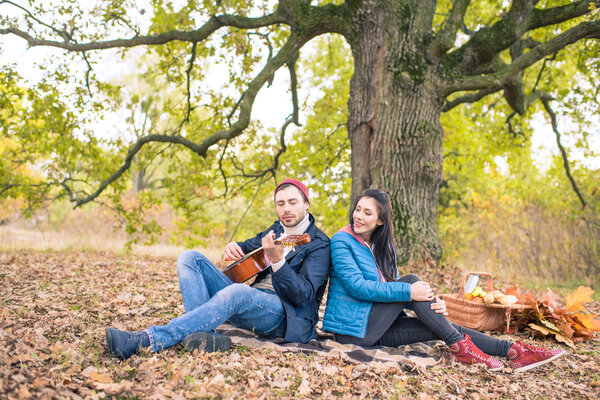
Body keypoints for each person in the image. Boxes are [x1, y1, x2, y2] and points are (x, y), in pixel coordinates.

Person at [322, 188, 566, 372]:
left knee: (442, 327)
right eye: (358, 209)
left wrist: (430, 301)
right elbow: (359, 288)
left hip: (380, 327)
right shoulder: (341, 241)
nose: (359, 216)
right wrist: (411, 293)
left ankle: (514, 351)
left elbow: (389, 291)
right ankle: (464, 348)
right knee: (410, 282)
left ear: (380, 220)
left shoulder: (384, 248)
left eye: (367, 212)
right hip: (353, 332)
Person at [105, 179, 330, 359]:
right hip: (253, 300)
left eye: (292, 202)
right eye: (280, 204)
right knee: (190, 257)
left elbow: (303, 296)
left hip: (285, 315)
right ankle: (205, 336)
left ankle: (147, 340)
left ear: (306, 204)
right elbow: (248, 245)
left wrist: (278, 262)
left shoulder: (320, 244)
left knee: (237, 292)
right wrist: (235, 246)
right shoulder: (276, 229)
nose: (286, 209)